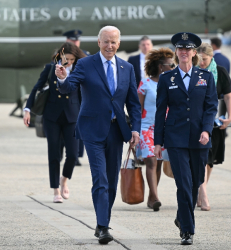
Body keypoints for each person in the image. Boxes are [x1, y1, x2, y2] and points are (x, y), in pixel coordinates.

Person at [55, 26, 141, 245]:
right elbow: (69, 88)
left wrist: (135, 129)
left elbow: (132, 102)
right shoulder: (85, 64)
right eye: (106, 41)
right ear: (98, 42)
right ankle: (103, 226)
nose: (109, 45)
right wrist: (63, 78)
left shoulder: (127, 67)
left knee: (112, 181)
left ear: (118, 43)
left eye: (113, 42)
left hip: (116, 130)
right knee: (100, 179)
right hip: (92, 130)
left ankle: (103, 220)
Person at [154, 32, 218, 245]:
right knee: (183, 183)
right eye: (180, 49)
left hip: (200, 137)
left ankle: (182, 217)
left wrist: (207, 130)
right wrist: (158, 142)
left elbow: (211, 107)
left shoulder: (205, 77)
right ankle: (187, 231)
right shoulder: (166, 78)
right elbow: (160, 110)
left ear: (194, 53)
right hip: (175, 138)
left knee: (196, 181)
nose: (184, 52)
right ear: (176, 53)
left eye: (188, 49)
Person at [23, 42, 86, 203]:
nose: (70, 62)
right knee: (54, 154)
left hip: (72, 116)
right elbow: (37, 88)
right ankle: (56, 190)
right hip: (52, 117)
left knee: (73, 154)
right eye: (68, 58)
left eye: (73, 59)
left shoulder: (79, 69)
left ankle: (64, 179)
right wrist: (27, 109)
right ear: (61, 55)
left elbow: (84, 94)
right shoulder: (50, 68)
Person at [196, 43, 231, 211]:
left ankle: (199, 190)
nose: (201, 62)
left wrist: (230, 117)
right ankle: (203, 194)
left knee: (210, 161)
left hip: (217, 121)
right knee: (201, 158)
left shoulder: (220, 72)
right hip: (198, 120)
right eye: (199, 59)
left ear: (211, 57)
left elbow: (228, 97)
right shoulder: (193, 72)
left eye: (204, 59)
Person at [137, 48, 175, 211]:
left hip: (164, 129)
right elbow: (138, 108)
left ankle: (152, 198)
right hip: (146, 128)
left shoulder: (172, 83)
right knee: (151, 161)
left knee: (158, 163)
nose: (174, 67)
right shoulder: (145, 84)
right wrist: (135, 131)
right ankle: (155, 197)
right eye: (171, 65)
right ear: (161, 67)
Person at [63, 29, 90, 165]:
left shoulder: (85, 55)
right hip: (65, 95)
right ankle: (69, 152)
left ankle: (77, 155)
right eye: (72, 40)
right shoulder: (61, 55)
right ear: (67, 41)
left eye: (76, 40)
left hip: (81, 96)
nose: (75, 42)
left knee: (80, 125)